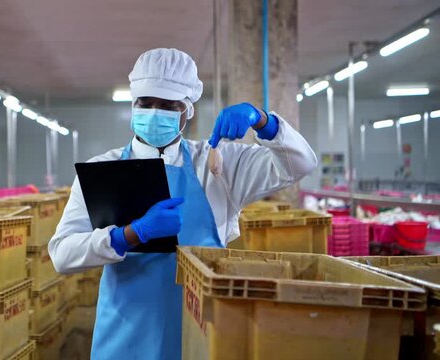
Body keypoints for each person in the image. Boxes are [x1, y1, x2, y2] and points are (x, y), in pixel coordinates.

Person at [48, 48, 317, 359]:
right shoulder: (102, 171)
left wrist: (263, 122)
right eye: (145, 103)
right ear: (133, 105)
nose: (153, 112)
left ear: (188, 111)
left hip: (201, 333)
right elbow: (62, 254)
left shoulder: (217, 164)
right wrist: (127, 235)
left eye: (167, 106)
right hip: (126, 338)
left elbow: (301, 164)